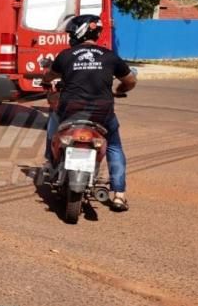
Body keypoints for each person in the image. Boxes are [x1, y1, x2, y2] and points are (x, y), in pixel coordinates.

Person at [42, 14, 137, 211]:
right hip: (102, 113)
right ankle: (119, 195)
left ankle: (51, 162)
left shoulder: (66, 55)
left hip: (71, 110)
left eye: (71, 33)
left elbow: (49, 76)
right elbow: (130, 81)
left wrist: (48, 80)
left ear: (80, 31)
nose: (69, 37)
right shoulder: (110, 56)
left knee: (53, 123)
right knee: (114, 146)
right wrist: (119, 91)